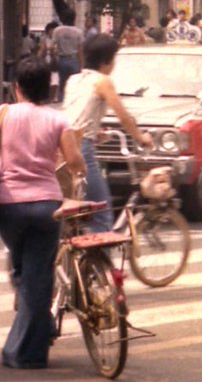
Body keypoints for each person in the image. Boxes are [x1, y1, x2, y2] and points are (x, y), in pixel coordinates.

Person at [0, 58, 85, 370]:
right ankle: (29, 351)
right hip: (48, 203)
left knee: (24, 270)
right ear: (49, 87)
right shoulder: (58, 119)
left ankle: (31, 336)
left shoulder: (3, 113)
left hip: (8, 205)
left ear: (17, 88)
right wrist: (79, 171)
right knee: (36, 275)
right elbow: (74, 159)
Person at [62, 34, 153, 233]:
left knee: (71, 206)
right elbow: (124, 116)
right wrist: (140, 137)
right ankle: (102, 260)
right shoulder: (103, 81)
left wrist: (97, 133)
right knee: (102, 210)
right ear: (106, 60)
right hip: (81, 149)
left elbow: (76, 114)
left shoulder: (73, 79)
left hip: (62, 146)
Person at [51, 10, 84, 102]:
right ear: (74, 18)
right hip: (74, 60)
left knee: (62, 83)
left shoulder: (57, 31)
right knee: (75, 83)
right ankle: (74, 101)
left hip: (62, 60)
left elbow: (51, 47)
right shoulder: (78, 32)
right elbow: (80, 50)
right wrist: (82, 65)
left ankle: (62, 102)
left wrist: (53, 57)